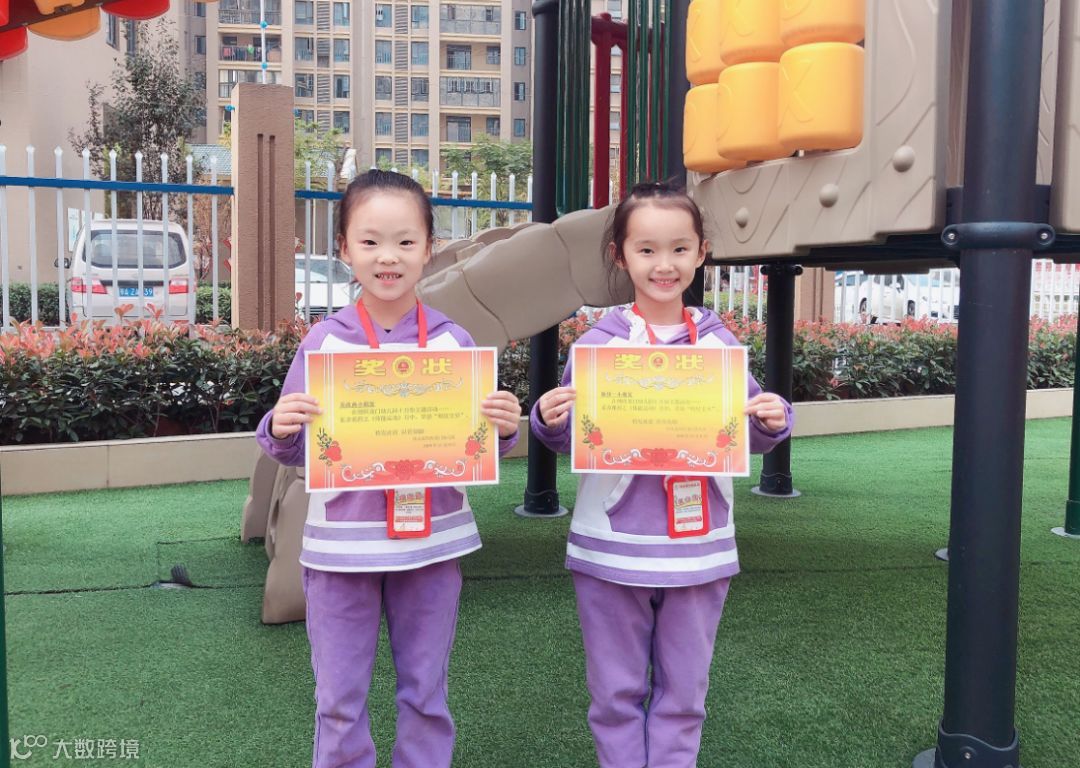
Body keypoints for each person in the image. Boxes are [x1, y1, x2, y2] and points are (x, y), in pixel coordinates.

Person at [256, 169, 522, 768]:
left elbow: (477, 449)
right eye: (370, 241)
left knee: (426, 695)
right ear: (344, 249)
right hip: (341, 551)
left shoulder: (454, 344)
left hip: (432, 547)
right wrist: (280, 427)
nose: (388, 257)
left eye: (405, 241)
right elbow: (297, 451)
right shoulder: (324, 344)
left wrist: (503, 428)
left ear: (429, 248)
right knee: (339, 702)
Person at [530, 180, 793, 768]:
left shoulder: (721, 345)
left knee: (684, 698)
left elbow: (747, 433)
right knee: (614, 695)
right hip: (610, 548)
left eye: (679, 248)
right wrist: (548, 420)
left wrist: (773, 420)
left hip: (699, 549)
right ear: (619, 255)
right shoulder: (596, 345)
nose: (664, 264)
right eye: (646, 249)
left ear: (702, 253)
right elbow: (573, 437)